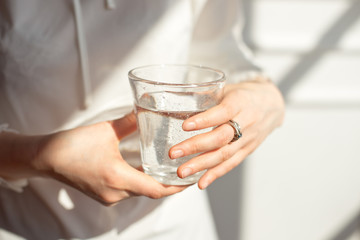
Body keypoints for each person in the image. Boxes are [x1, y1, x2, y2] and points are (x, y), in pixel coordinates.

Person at [0, 0, 285, 239]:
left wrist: (264, 97)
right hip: (27, 226)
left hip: (174, 223)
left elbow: (219, 53)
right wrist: (36, 155)